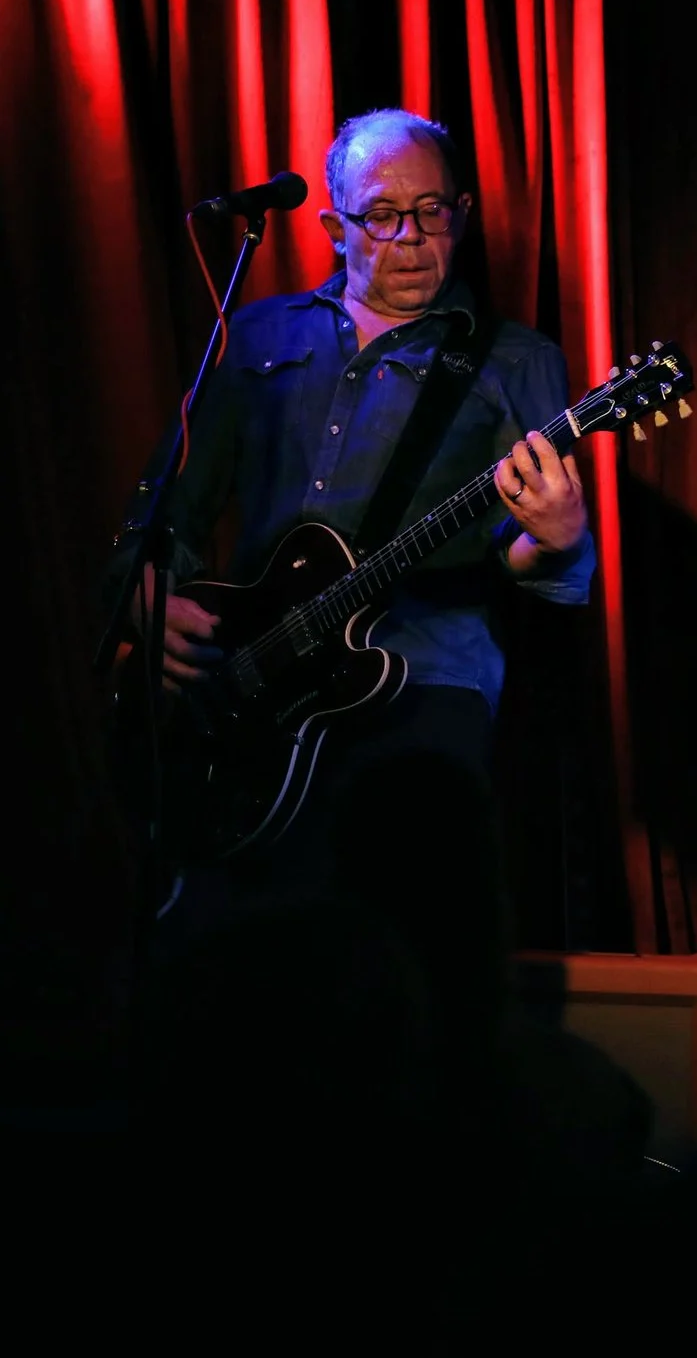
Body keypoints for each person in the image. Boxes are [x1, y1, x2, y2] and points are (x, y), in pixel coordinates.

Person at [106, 107, 594, 919]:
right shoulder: (258, 334)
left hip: (423, 680)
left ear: (461, 214)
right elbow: (171, 509)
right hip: (248, 684)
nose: (410, 236)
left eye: (432, 211)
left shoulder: (517, 361)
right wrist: (144, 586)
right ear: (335, 226)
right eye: (382, 215)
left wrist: (557, 542)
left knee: (393, 948)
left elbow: (532, 561)